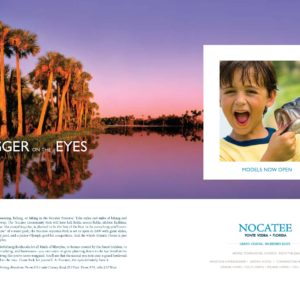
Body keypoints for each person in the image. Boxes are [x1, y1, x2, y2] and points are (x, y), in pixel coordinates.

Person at [219, 61, 300, 161]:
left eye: (251, 91)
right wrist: (272, 159)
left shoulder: (293, 143)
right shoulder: (219, 154)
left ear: (270, 97)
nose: (240, 101)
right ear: (219, 98)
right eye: (230, 91)